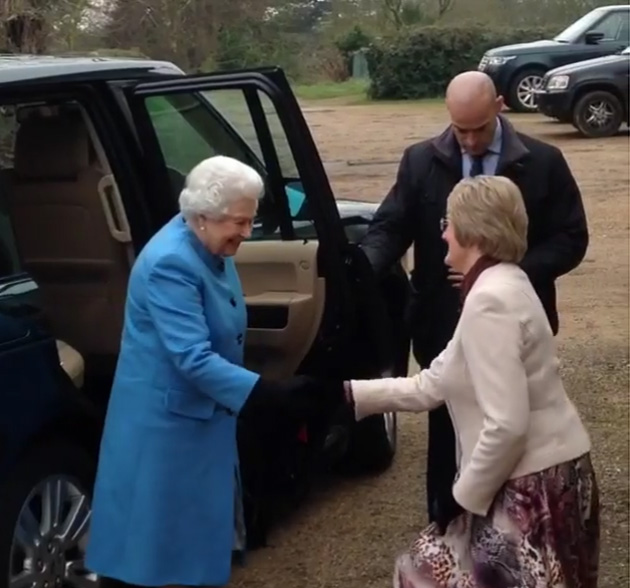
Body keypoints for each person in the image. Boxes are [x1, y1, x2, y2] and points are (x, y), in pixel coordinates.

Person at [336, 175, 599, 586]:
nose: (442, 233)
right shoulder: (505, 283)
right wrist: (349, 395)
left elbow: (507, 424)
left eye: (448, 222)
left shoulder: (490, 301)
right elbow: (435, 383)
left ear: (473, 231)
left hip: (530, 483)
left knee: (421, 574)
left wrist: (462, 500)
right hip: (552, 470)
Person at [85, 156, 331, 588]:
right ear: (202, 216)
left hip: (198, 419)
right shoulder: (171, 263)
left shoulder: (209, 243)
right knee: (158, 558)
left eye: (251, 220)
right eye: (239, 221)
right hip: (165, 429)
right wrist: (264, 394)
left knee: (189, 549)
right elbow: (191, 357)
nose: (246, 232)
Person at [360, 70, 589, 527]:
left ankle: (511, 519)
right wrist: (361, 268)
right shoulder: (420, 161)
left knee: (507, 422)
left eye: (478, 129)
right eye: (458, 128)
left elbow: (571, 237)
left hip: (511, 325)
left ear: (500, 106)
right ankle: (447, 521)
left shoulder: (543, 162)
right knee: (447, 429)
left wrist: (503, 272)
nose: (467, 140)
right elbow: (391, 227)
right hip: (440, 325)